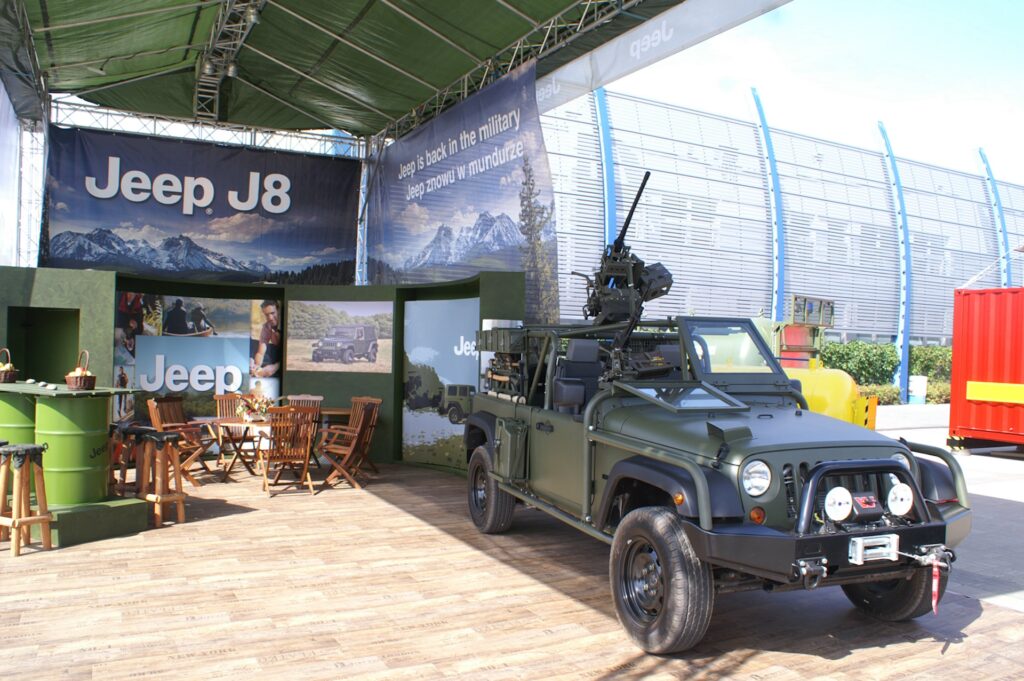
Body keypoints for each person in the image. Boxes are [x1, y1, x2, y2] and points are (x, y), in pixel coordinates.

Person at [250, 300, 281, 378]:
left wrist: (275, 367)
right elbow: (260, 353)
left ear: (278, 311)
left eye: (272, 313)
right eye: (267, 315)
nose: (270, 318)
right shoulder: (267, 326)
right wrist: (257, 366)